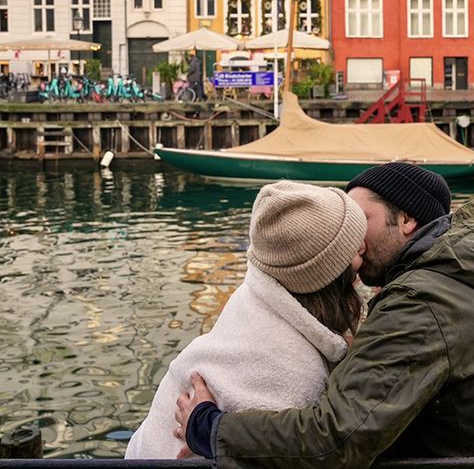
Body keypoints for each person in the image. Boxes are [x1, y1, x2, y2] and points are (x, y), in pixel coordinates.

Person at [174, 162, 474, 466]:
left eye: (359, 221)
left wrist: (208, 427)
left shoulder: (422, 302)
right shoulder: (468, 275)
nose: (351, 239)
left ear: (406, 220)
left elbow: (334, 438)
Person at [125, 180, 367, 459]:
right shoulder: (290, 370)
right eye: (353, 248)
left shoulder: (252, 299)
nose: (362, 247)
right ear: (327, 273)